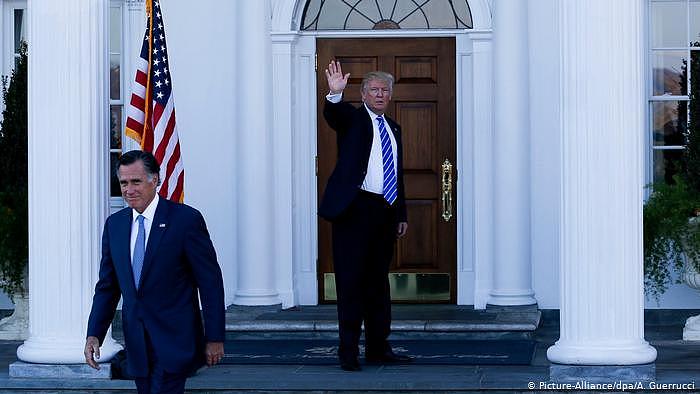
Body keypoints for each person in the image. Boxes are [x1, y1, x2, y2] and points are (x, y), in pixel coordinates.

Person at [84, 150, 225, 393]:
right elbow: (108, 286)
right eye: (124, 183)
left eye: (136, 181)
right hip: (137, 344)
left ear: (155, 180)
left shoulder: (185, 220)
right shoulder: (115, 225)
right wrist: (94, 333)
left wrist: (214, 337)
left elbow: (210, 282)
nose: (129, 190)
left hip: (175, 340)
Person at [319, 60, 412, 371]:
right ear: (363, 94)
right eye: (374, 90)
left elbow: (396, 173)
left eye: (385, 90)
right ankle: (348, 351)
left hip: (385, 211)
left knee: (377, 283)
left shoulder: (394, 128)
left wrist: (401, 213)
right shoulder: (354, 120)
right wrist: (334, 95)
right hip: (354, 209)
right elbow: (334, 114)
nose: (380, 95)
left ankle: (377, 347)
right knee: (351, 282)